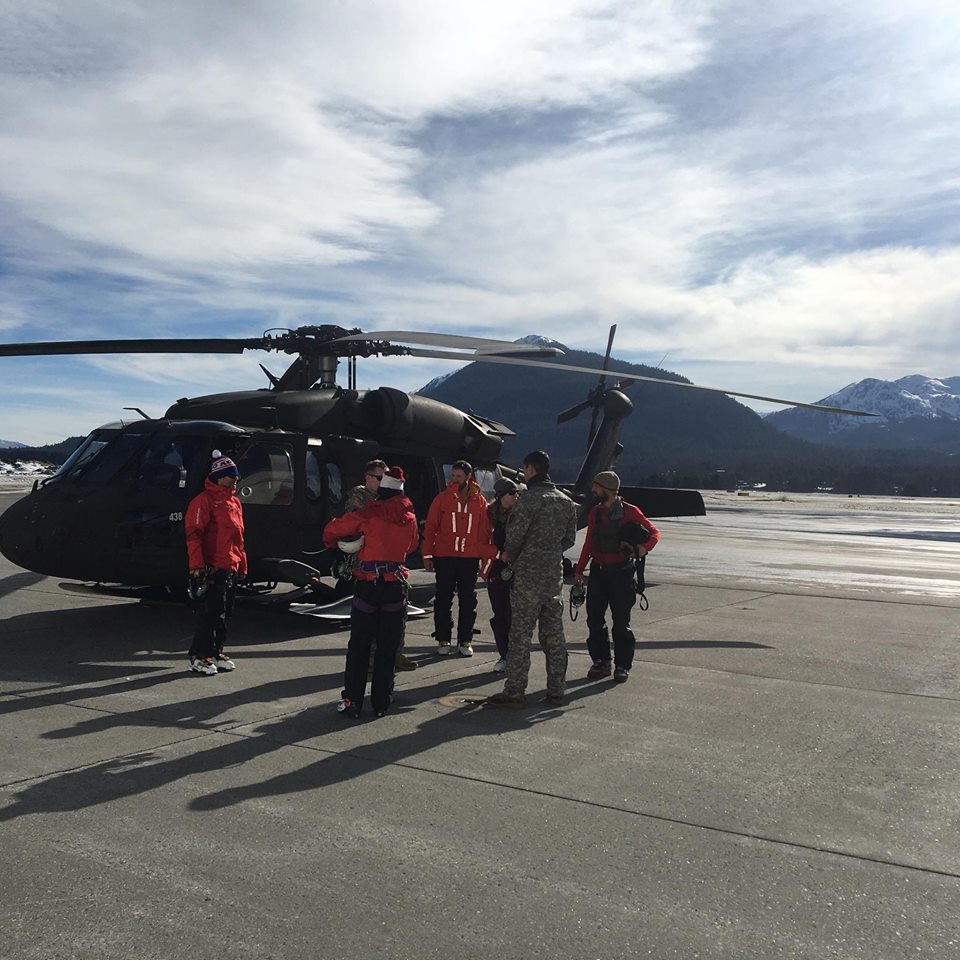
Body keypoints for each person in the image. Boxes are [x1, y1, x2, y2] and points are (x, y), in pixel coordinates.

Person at [323, 465, 419, 718]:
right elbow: (412, 546)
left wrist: (337, 543)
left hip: (368, 583)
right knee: (387, 649)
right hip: (395, 585)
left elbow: (332, 531)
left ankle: (353, 701)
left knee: (360, 646)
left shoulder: (369, 513)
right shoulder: (409, 517)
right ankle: (381, 703)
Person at [485, 451, 577, 709]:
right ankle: (557, 689)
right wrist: (549, 551)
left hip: (527, 578)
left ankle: (515, 691)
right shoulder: (565, 501)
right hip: (553, 578)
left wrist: (507, 556)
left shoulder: (527, 501)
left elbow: (514, 537)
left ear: (531, 470)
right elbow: (569, 539)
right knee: (554, 636)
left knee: (520, 636)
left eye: (524, 469)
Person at [575, 470, 660, 683]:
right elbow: (588, 544)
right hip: (598, 572)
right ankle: (601, 662)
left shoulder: (630, 512)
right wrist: (579, 571)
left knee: (621, 622)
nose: (593, 490)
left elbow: (654, 533)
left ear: (606, 489)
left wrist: (642, 548)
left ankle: (622, 665)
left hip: (621, 573)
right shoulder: (595, 513)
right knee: (594, 619)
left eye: (596, 487)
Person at [421, 459, 495, 657]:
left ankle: (465, 639)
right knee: (443, 598)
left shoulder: (480, 502)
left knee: (468, 599)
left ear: (468, 477)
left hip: (469, 558)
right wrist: (427, 554)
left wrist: (485, 557)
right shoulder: (442, 499)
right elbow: (430, 527)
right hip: (444, 556)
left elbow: (485, 531)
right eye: (453, 476)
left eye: (459, 476)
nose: (454, 479)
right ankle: (443, 638)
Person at [184, 452, 247, 676]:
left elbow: (238, 537)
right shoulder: (203, 501)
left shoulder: (235, 503)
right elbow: (194, 534)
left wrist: (242, 565)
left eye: (236, 475)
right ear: (219, 477)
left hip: (230, 564)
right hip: (212, 565)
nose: (235, 479)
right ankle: (199, 655)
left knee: (225, 612)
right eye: (230, 475)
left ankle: (216, 651)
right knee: (210, 613)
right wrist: (197, 565)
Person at [483, 477, 520, 672]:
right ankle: (504, 654)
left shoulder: (522, 514)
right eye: (512, 493)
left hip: (519, 572)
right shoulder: (488, 516)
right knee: (499, 616)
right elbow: (479, 543)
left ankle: (514, 655)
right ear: (500, 496)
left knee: (513, 615)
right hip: (495, 571)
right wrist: (499, 555)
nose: (516, 496)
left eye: (517, 492)